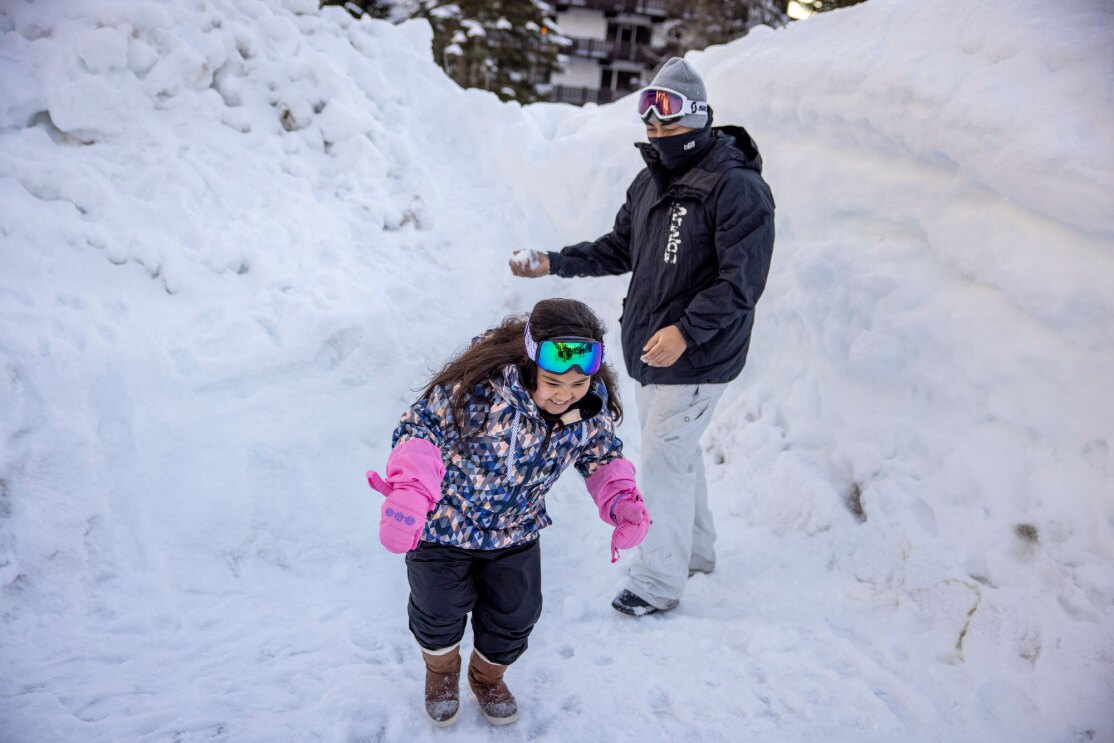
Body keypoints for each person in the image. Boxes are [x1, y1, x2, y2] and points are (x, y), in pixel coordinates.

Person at [509, 58, 775, 617]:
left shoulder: (738, 187)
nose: (657, 130)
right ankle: (696, 551)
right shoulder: (652, 179)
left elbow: (741, 283)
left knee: (662, 459)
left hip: (698, 352)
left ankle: (658, 580)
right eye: (650, 121)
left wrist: (684, 331)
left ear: (700, 117)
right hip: (652, 348)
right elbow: (619, 249)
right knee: (672, 453)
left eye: (670, 119)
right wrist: (553, 261)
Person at [366, 298, 650, 727]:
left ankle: (486, 676)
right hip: (445, 525)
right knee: (438, 608)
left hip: (515, 532)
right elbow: (419, 428)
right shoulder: (477, 389)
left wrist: (623, 501)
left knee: (517, 614)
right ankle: (441, 673)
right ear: (531, 362)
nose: (565, 394)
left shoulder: (587, 409)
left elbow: (601, 456)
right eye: (553, 381)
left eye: (578, 383)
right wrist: (409, 490)